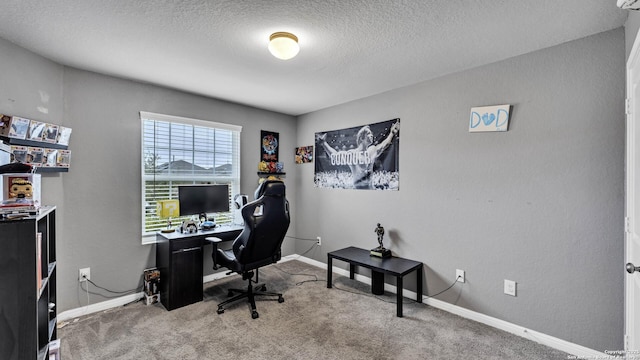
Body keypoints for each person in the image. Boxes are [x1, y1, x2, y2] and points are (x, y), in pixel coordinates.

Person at [316, 120, 399, 189]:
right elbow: (335, 155)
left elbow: (384, 145)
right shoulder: (352, 154)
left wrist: (392, 133)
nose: (372, 136)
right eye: (369, 134)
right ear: (362, 138)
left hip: (371, 189)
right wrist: (324, 143)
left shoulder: (371, 150)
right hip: (357, 190)